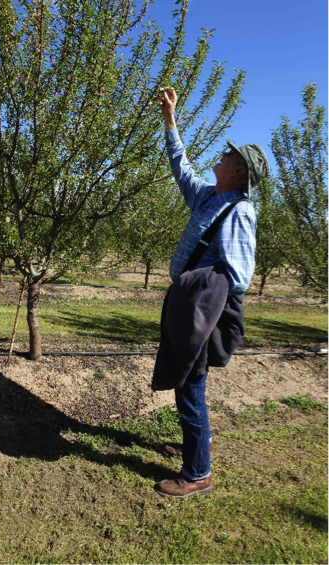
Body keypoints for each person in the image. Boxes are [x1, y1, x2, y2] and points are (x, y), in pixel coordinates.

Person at [155, 87, 270, 499]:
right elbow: (180, 167)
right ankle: (196, 448)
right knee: (187, 383)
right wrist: (171, 119)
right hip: (191, 304)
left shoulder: (239, 210)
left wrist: (195, 286)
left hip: (203, 309)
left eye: (229, 156)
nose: (221, 156)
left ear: (238, 171)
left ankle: (198, 472)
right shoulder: (209, 197)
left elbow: (237, 275)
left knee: (190, 386)